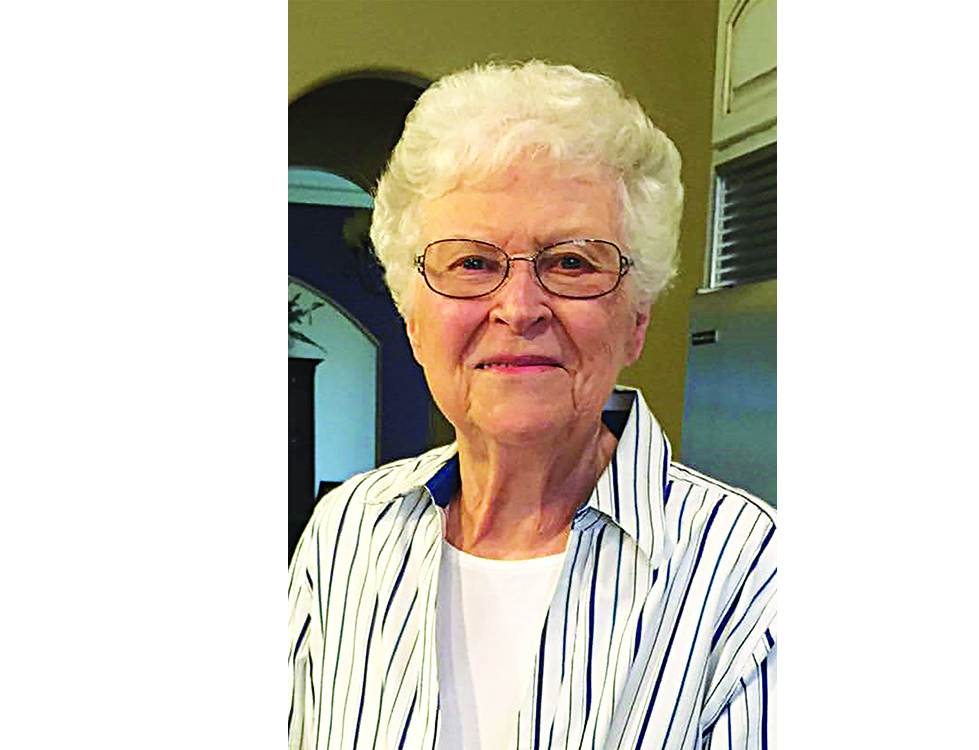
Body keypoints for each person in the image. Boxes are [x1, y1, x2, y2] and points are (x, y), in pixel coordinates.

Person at [288, 60, 776, 750]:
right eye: (472, 263)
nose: (518, 309)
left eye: (572, 262)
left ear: (636, 320)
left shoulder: (753, 575)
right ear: (413, 320)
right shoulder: (346, 534)